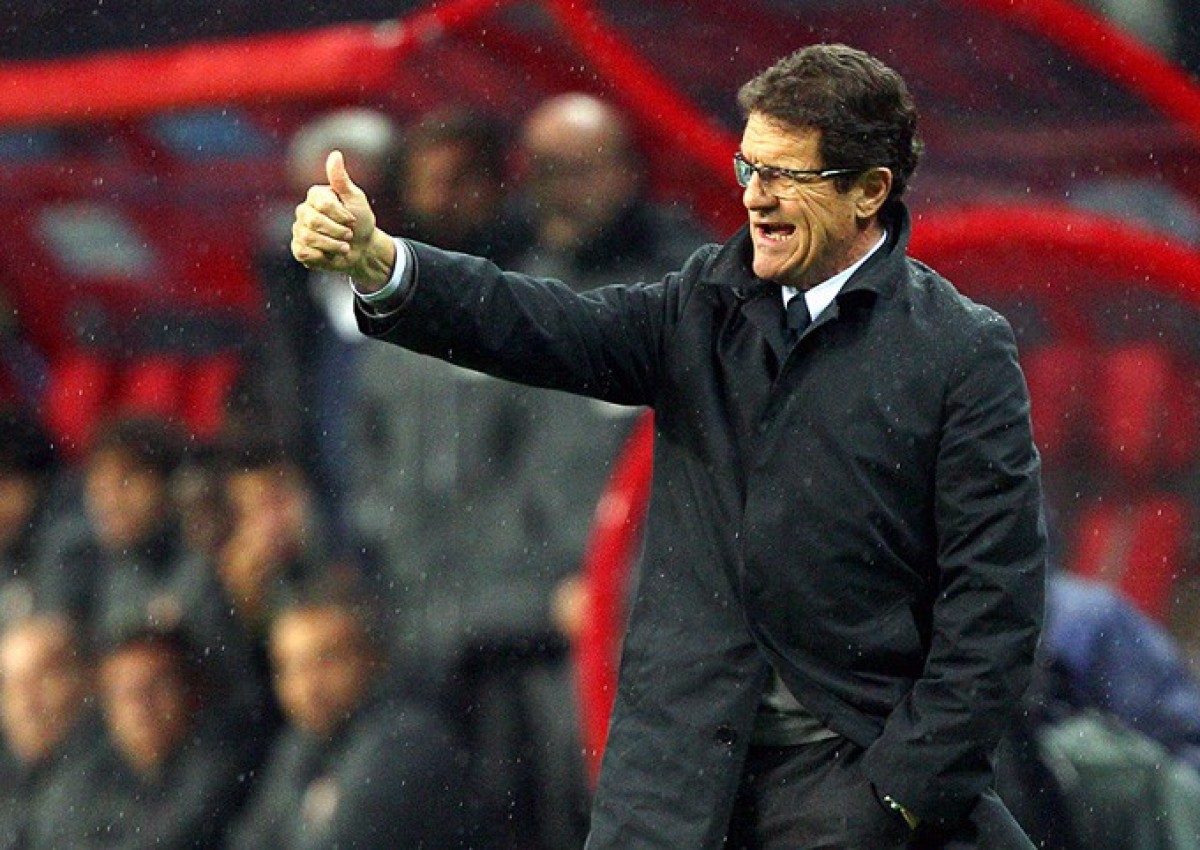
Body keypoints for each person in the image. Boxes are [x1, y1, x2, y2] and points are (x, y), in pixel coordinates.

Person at [291, 42, 1046, 850]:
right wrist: (385, 264)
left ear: (869, 191)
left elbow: (994, 599)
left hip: (853, 786)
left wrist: (904, 792)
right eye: (749, 168)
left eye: (786, 175)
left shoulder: (959, 351)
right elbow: (540, 322)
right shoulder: (704, 304)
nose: (755, 196)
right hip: (675, 787)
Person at [224, 590, 469, 850]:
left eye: (326, 660)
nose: (308, 685)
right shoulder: (300, 744)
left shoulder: (409, 740)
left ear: (372, 659)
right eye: (290, 667)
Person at [29, 622, 260, 849]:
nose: (140, 706)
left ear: (191, 691)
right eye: (125, 692)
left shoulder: (223, 763)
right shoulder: (86, 771)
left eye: (156, 687)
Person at [0, 615, 101, 850]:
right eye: (11, 685)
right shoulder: (10, 779)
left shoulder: (112, 778)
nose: (26, 702)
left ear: (84, 681)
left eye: (42, 679)